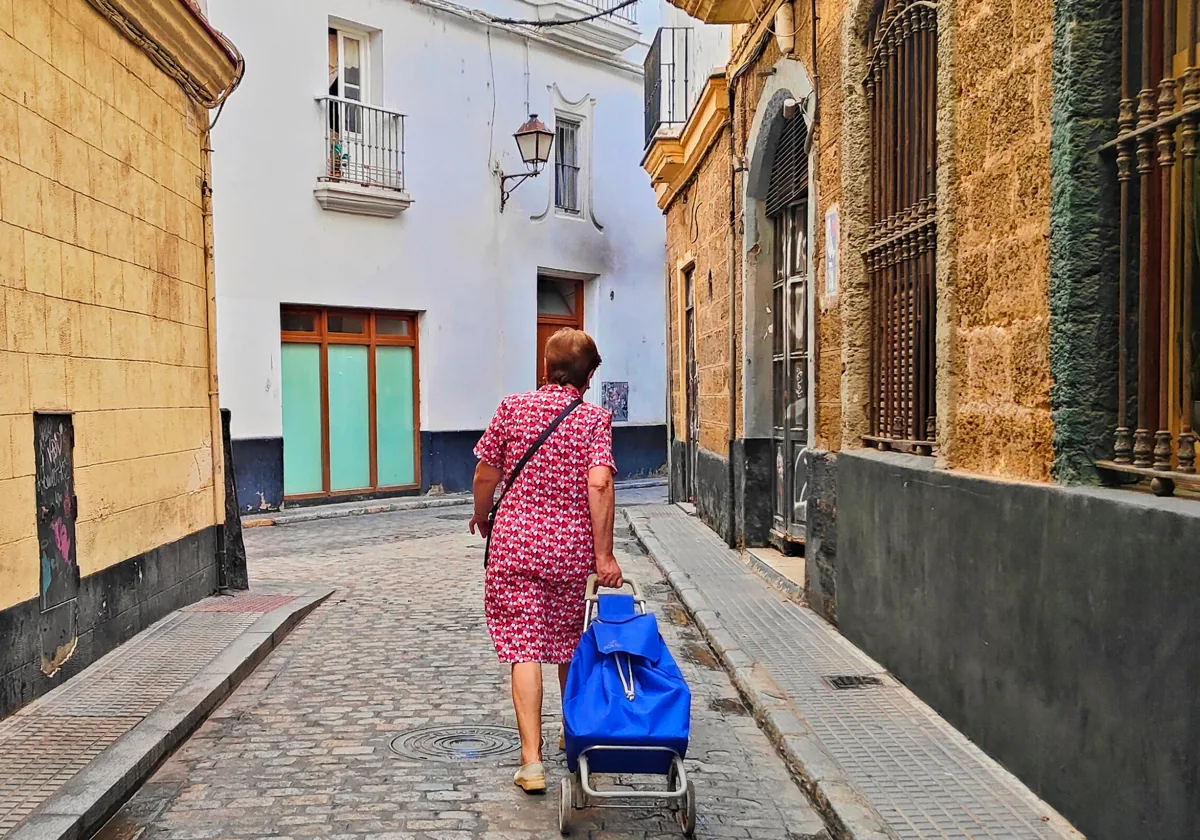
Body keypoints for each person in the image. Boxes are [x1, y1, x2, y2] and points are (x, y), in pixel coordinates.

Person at [469, 328, 624, 794]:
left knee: (524, 647)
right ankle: (574, 736)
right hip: (568, 553)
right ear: (591, 375)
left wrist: (481, 516)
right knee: (566, 643)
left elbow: (484, 473)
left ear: (545, 368)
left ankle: (531, 762)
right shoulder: (594, 420)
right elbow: (600, 484)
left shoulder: (512, 409)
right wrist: (605, 555)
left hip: (513, 546)